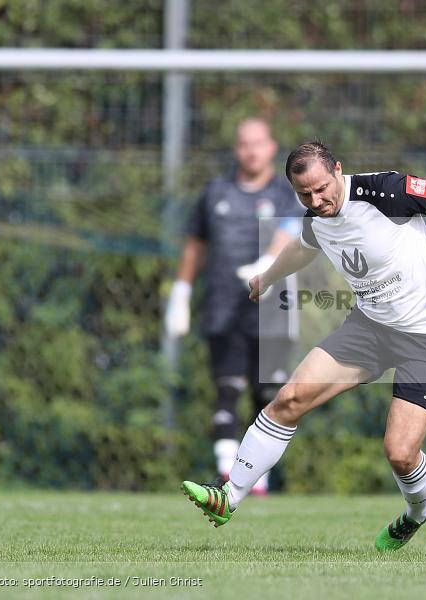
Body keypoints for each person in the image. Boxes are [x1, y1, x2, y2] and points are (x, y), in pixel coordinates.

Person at [181, 141, 426, 550]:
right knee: (288, 399)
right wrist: (266, 278)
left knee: (399, 452)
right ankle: (228, 497)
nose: (317, 200)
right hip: (370, 329)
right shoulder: (317, 217)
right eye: (305, 194)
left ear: (338, 169)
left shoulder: (387, 192)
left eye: (322, 188)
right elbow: (302, 247)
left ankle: (417, 510)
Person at [165, 118, 305, 495]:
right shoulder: (215, 192)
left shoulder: (285, 193)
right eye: (244, 143)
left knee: (268, 395)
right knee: (226, 392)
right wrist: (180, 292)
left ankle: (258, 476)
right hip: (223, 304)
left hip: (273, 308)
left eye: (258, 143)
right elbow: (195, 245)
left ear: (271, 147)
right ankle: (229, 474)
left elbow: (292, 230)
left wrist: (268, 265)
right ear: (236, 149)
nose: (251, 150)